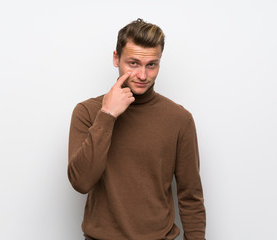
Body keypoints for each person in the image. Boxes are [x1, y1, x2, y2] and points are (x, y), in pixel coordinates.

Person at [68, 18, 206, 240]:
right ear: (116, 59)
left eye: (152, 64)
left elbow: (190, 197)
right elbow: (81, 182)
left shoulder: (179, 119)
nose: (143, 76)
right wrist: (107, 116)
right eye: (133, 63)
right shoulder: (87, 112)